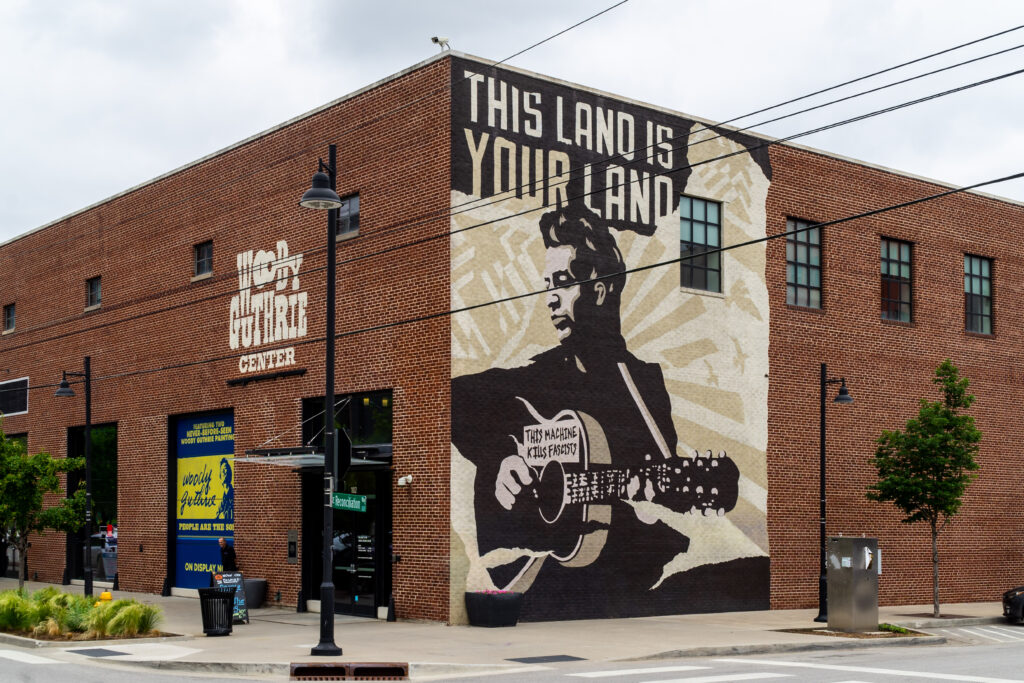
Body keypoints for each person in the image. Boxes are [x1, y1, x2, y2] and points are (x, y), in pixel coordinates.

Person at [451, 203, 739, 618]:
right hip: (545, 576)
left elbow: (662, 483)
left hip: (619, 577)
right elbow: (454, 396)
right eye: (547, 284)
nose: (550, 298)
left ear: (600, 288)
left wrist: (650, 499)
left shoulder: (644, 386)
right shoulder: (538, 375)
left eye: (563, 283)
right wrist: (500, 455)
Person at [216, 457, 234, 522]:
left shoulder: (234, 494)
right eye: (222, 471)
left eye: (225, 469)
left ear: (229, 473)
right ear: (220, 476)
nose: (224, 472)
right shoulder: (221, 501)